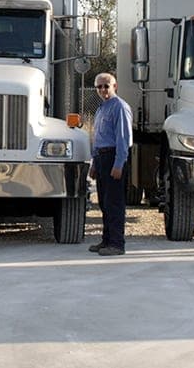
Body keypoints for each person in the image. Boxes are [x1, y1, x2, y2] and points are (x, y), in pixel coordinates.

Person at [88, 72, 133, 256]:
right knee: (104, 203)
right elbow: (98, 138)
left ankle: (116, 244)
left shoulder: (119, 107)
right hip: (101, 158)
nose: (102, 90)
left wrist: (119, 164)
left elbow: (123, 138)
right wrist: (93, 164)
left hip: (113, 157)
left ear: (115, 86)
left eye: (106, 86)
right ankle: (106, 240)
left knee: (114, 203)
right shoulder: (101, 109)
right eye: (99, 86)